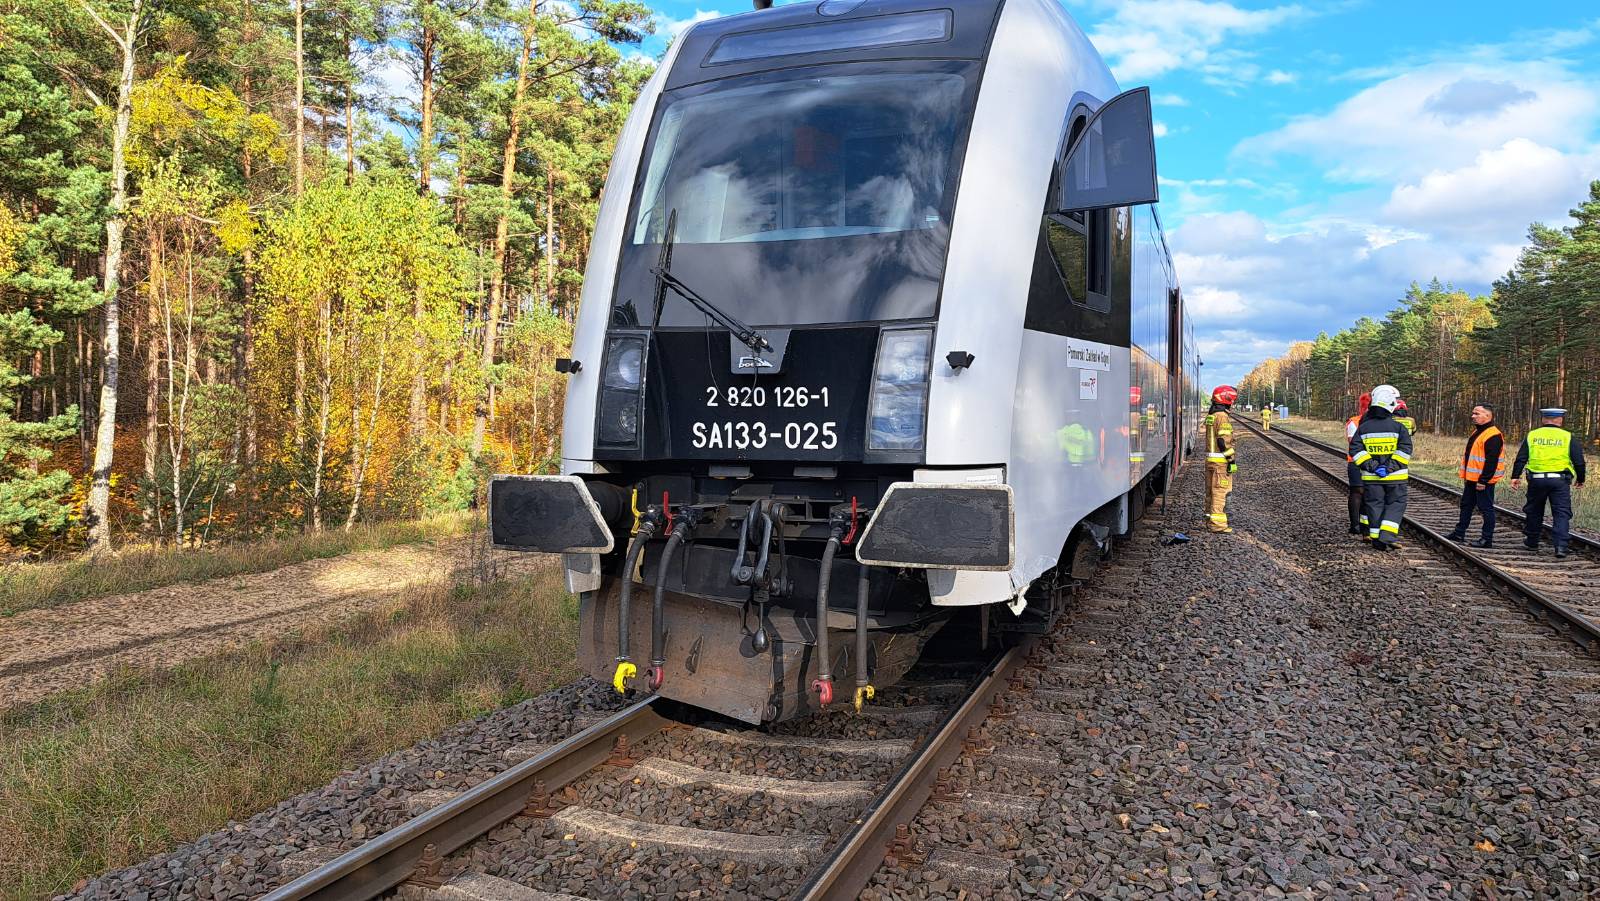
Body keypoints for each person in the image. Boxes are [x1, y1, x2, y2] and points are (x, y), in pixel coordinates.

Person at [1510, 407, 1587, 558]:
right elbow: (1579, 461)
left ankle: (1532, 541)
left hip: (1536, 480)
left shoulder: (1533, 435)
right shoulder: (1567, 436)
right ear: (1560, 420)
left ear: (1543, 419)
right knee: (1561, 513)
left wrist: (1515, 476)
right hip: (1559, 481)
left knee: (1534, 510)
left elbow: (1521, 458)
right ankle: (1561, 546)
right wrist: (1581, 479)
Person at [1350, 384, 1412, 550]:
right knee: (1395, 504)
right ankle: (1386, 536)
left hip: (1372, 478)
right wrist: (1389, 468)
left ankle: (1376, 538)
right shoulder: (1399, 428)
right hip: (1396, 478)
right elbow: (1404, 451)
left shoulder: (1364, 428)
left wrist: (1373, 467)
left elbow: (1355, 449)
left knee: (1374, 505)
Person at [1445, 403, 1504, 548]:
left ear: (1487, 416)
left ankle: (1486, 539)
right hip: (1472, 479)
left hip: (1483, 481)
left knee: (1486, 508)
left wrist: (1483, 480)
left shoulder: (1493, 435)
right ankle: (1459, 533)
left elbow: (1492, 461)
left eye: (1477, 413)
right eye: (1473, 413)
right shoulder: (1478, 432)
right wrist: (1468, 477)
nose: (1473, 416)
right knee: (1466, 505)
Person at [1204, 385, 1238, 533]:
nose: (1233, 403)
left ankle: (1210, 521)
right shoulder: (1222, 417)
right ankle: (1218, 525)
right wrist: (1231, 460)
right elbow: (1223, 441)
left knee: (1210, 493)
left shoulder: (1211, 415)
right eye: (1232, 400)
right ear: (1227, 400)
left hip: (1211, 461)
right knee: (1220, 493)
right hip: (1221, 463)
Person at [1344, 392, 1371, 535]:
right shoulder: (1357, 422)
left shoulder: (1353, 422)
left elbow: (1352, 442)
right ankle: (1360, 525)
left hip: (1357, 462)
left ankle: (1356, 525)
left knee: (1357, 492)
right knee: (1363, 492)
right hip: (1366, 462)